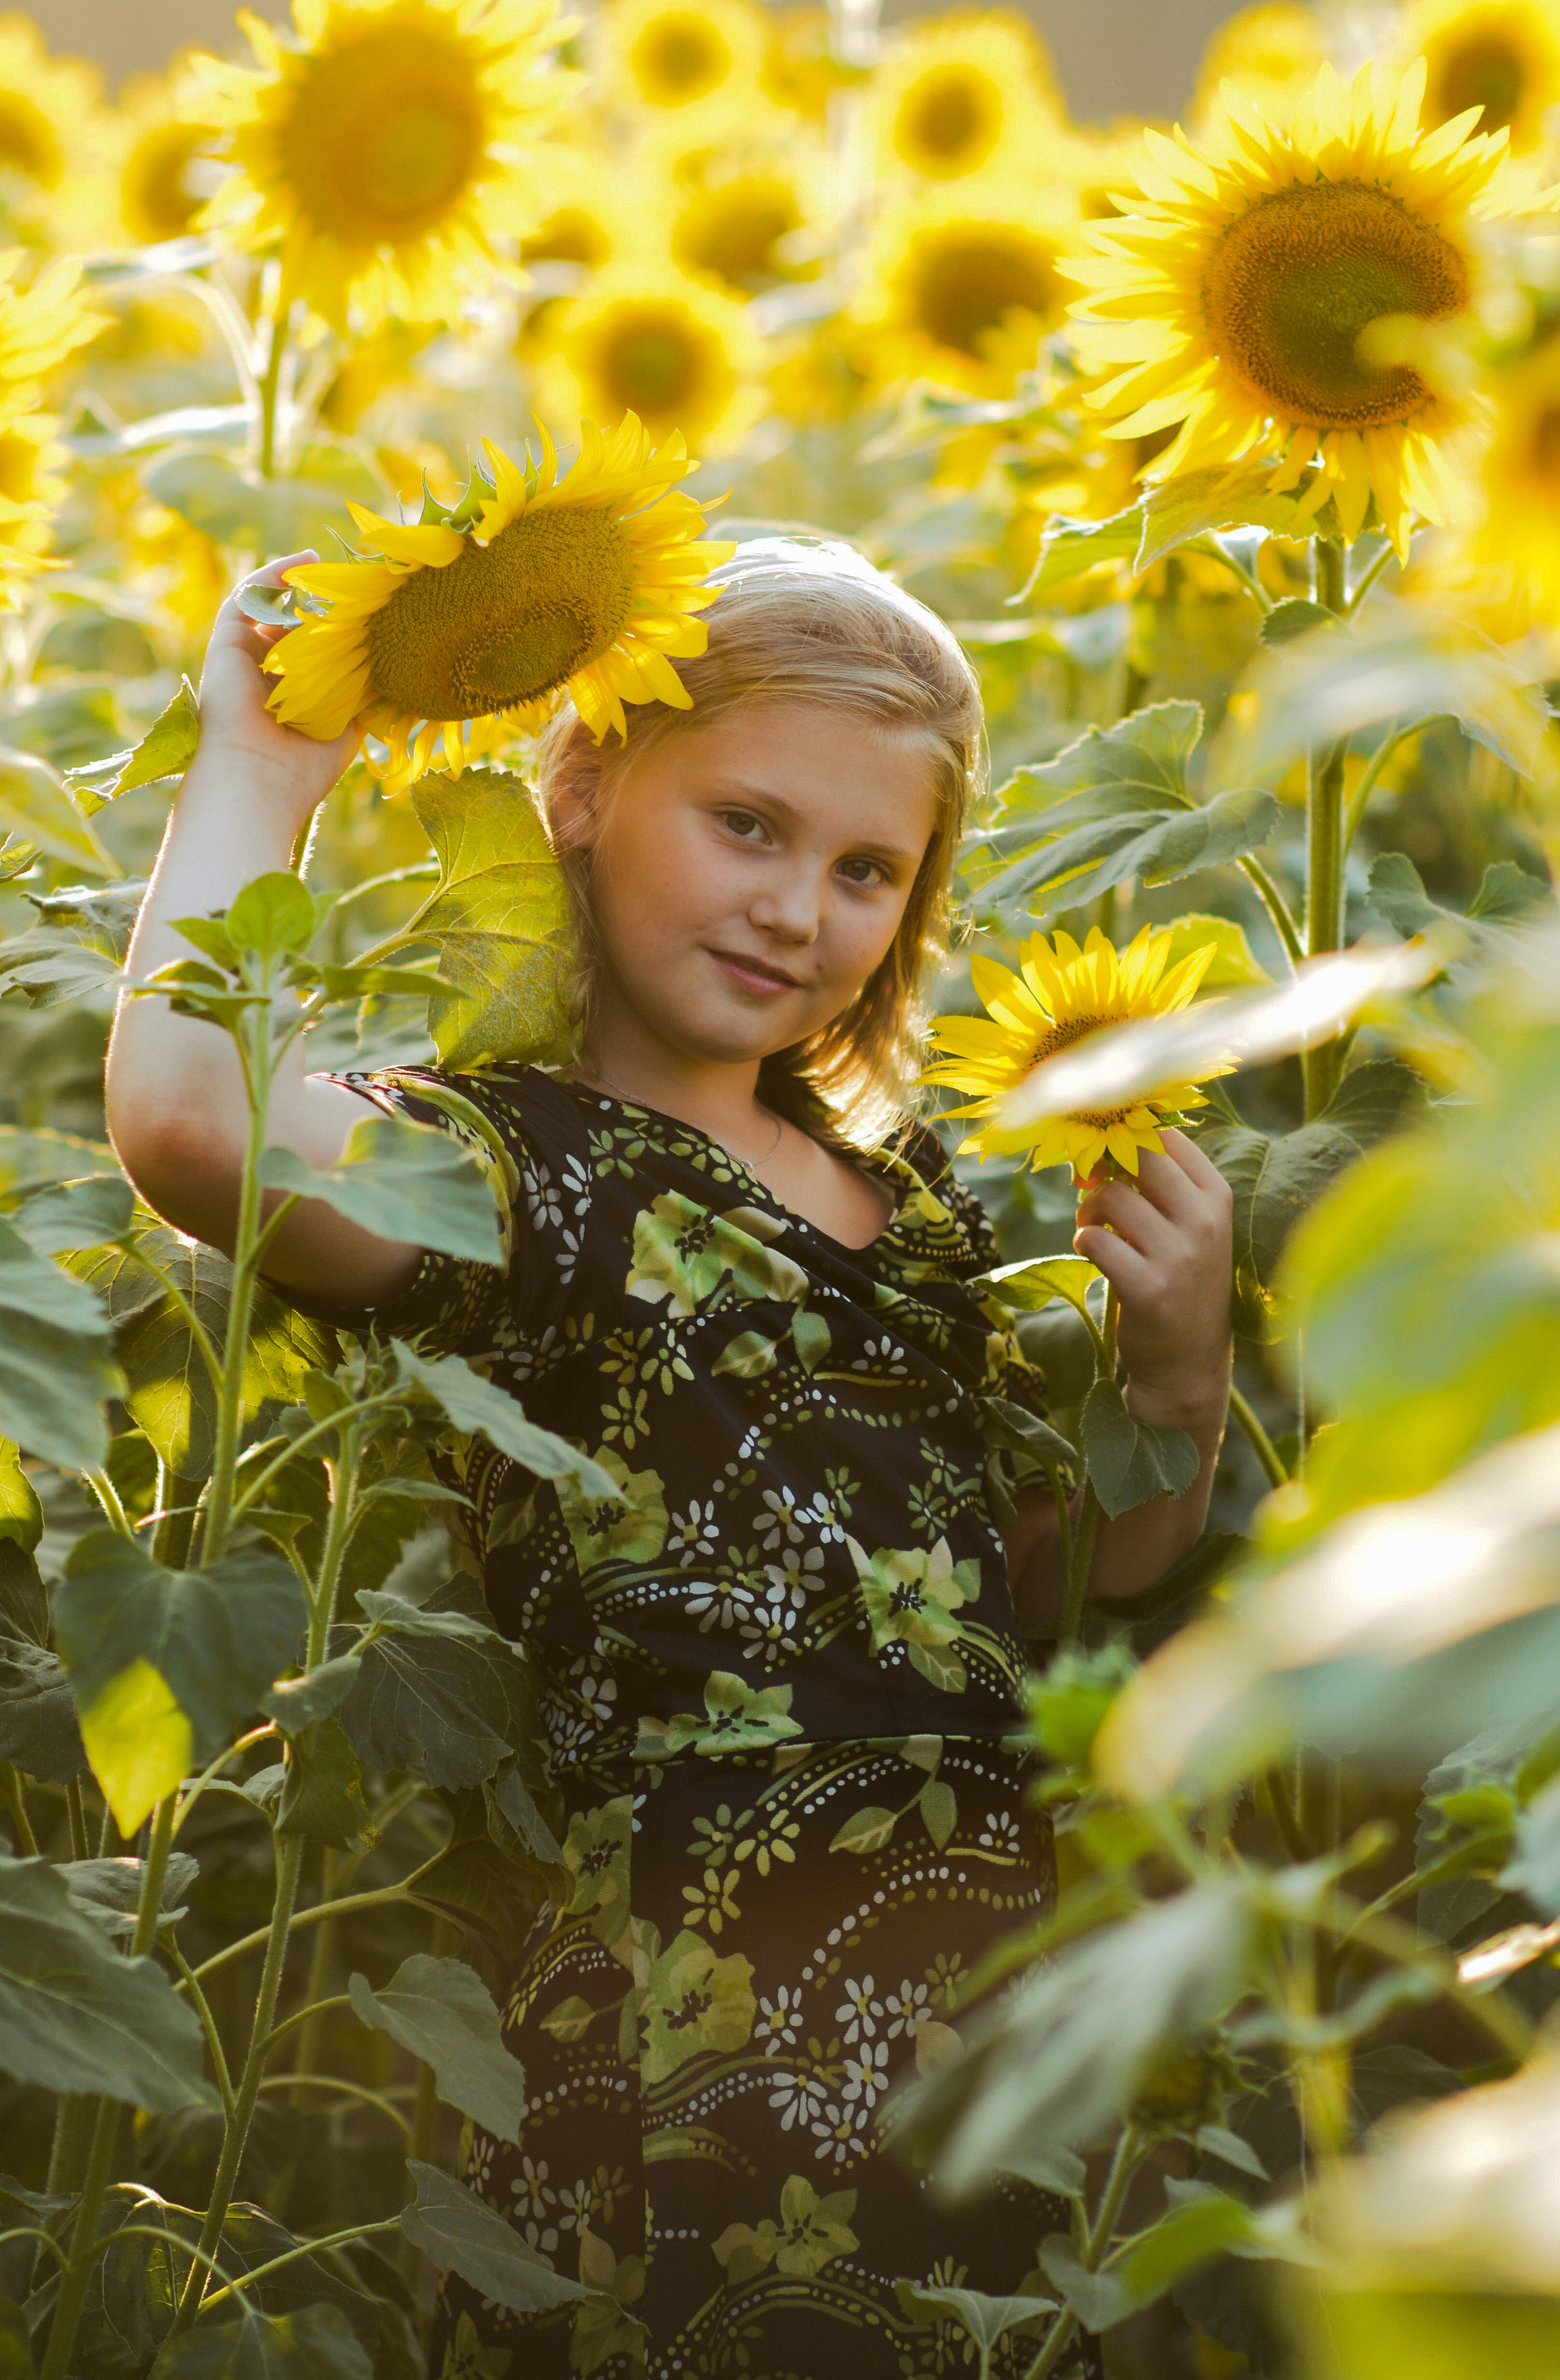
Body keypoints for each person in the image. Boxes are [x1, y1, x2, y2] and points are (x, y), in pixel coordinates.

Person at [106, 533, 1234, 2379]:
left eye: (866, 869)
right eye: (748, 825)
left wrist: (1174, 1385)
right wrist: (262, 764)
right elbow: (191, 1121)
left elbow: (1042, 1597)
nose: (798, 908)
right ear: (582, 791)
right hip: (680, 2022)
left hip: (987, 2014)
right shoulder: (513, 1172)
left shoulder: (911, 1203)